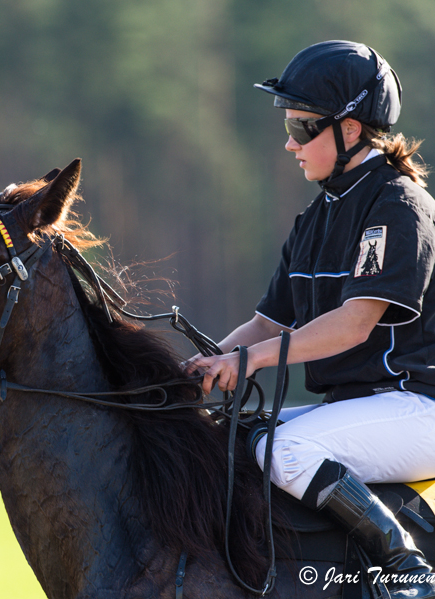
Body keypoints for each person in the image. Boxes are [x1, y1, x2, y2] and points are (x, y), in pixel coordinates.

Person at [187, 40, 435, 598]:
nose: (289, 143)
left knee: (284, 450)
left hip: (418, 405)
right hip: (360, 406)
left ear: (350, 130)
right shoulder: (314, 217)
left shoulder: (398, 206)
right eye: (289, 126)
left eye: (301, 127)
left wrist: (249, 362)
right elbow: (267, 325)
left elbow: (353, 325)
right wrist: (202, 365)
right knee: (229, 439)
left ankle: (408, 568)